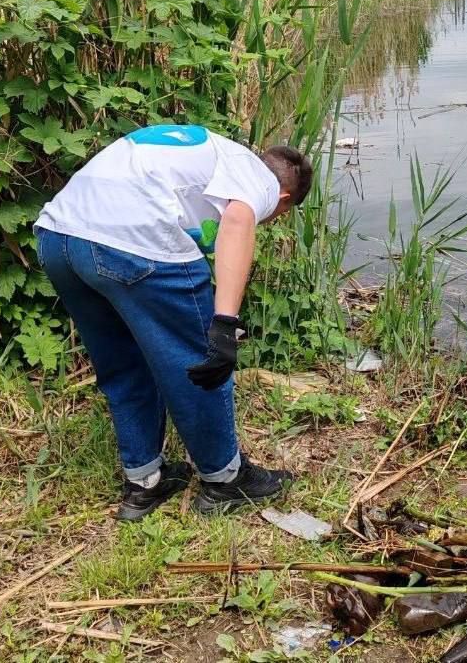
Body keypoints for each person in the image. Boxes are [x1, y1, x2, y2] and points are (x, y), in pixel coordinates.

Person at [34, 124, 313, 520]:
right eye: (281, 214)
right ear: (284, 198)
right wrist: (223, 323)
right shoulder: (260, 178)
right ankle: (223, 481)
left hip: (59, 236)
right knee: (201, 363)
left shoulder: (218, 155)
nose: (273, 217)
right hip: (130, 239)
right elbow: (238, 221)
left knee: (123, 364)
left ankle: (145, 481)